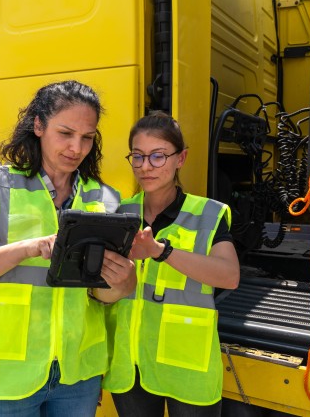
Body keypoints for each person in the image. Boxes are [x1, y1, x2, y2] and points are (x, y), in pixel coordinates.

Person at [0, 80, 136, 417]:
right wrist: (28, 247)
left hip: (77, 374)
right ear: (38, 126)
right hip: (7, 373)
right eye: (66, 133)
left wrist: (121, 283)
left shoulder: (105, 198)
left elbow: (99, 297)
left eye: (87, 137)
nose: (77, 148)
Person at [103, 112, 240, 417]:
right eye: (137, 156)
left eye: (158, 156)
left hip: (186, 366)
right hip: (129, 365)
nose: (146, 167)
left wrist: (159, 251)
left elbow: (229, 276)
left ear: (181, 159)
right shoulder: (119, 213)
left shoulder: (207, 214)